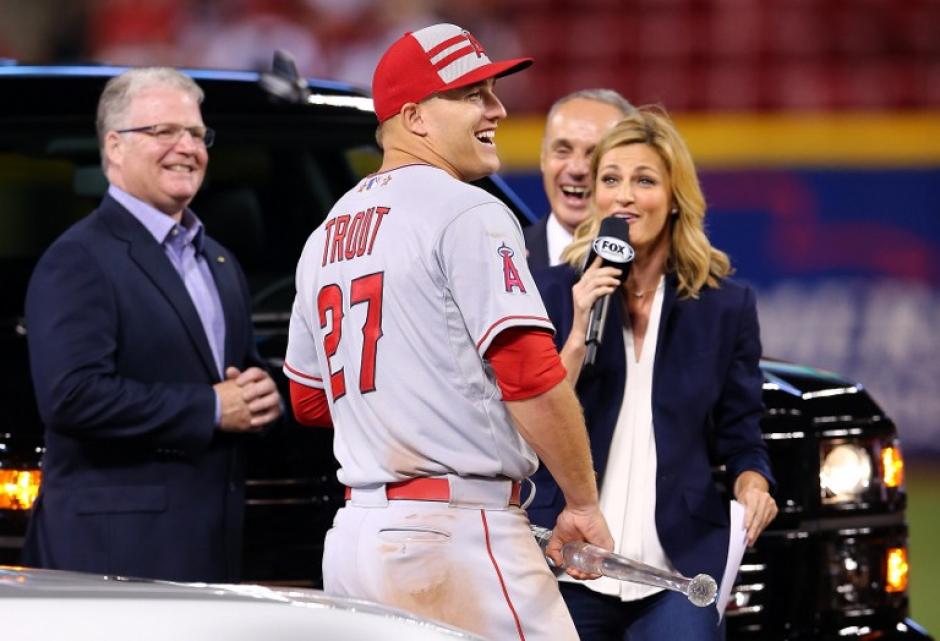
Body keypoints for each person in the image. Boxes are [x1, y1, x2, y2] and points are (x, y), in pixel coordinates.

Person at [283, 23, 612, 641]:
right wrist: (583, 504)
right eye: (471, 94)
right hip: (456, 535)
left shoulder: (325, 234)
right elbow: (529, 375)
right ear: (415, 118)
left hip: (357, 541)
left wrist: (411, 400)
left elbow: (309, 400)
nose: (497, 108)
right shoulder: (469, 209)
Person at [527, 107, 778, 640]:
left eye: (643, 180)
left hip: (676, 571)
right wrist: (575, 333)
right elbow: (530, 422)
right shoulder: (550, 292)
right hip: (567, 564)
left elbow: (742, 433)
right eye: (610, 179)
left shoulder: (724, 306)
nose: (624, 195)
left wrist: (753, 482)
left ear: (673, 198)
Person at [23, 67, 282, 582]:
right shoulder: (78, 257)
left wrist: (263, 392)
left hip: (215, 544)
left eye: (195, 133)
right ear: (115, 147)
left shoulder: (219, 261)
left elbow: (232, 376)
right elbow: (72, 395)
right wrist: (211, 407)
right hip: (112, 557)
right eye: (164, 131)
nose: (187, 146)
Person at [524, 89, 634, 269]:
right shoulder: (501, 258)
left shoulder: (654, 270)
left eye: (594, 154)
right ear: (543, 158)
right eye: (562, 151)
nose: (576, 169)